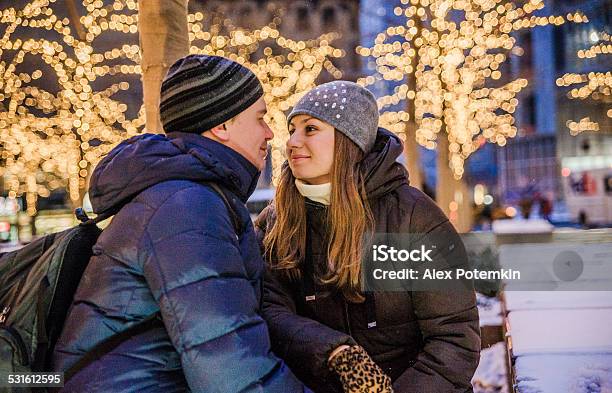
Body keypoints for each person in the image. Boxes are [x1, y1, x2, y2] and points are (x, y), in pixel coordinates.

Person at [52, 55, 307, 392]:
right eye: (260, 118)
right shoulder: (187, 207)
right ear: (222, 125)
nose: (270, 132)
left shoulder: (189, 195)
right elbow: (230, 368)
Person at [255, 81, 481, 393]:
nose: (291, 142)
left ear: (350, 140)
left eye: (310, 129)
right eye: (291, 129)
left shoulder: (412, 218)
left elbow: (454, 339)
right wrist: (334, 351)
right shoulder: (277, 222)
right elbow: (271, 312)